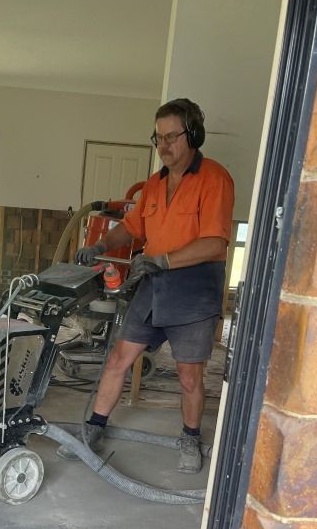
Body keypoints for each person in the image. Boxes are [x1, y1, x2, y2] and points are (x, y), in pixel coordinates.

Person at [60, 98, 234, 474]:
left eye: (172, 136)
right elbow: (133, 227)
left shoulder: (214, 178)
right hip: (152, 285)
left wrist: (165, 260)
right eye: (158, 138)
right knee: (119, 358)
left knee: (189, 374)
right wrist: (102, 244)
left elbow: (215, 243)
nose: (164, 146)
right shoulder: (154, 185)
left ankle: (190, 436)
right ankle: (94, 428)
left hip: (194, 288)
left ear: (193, 135)